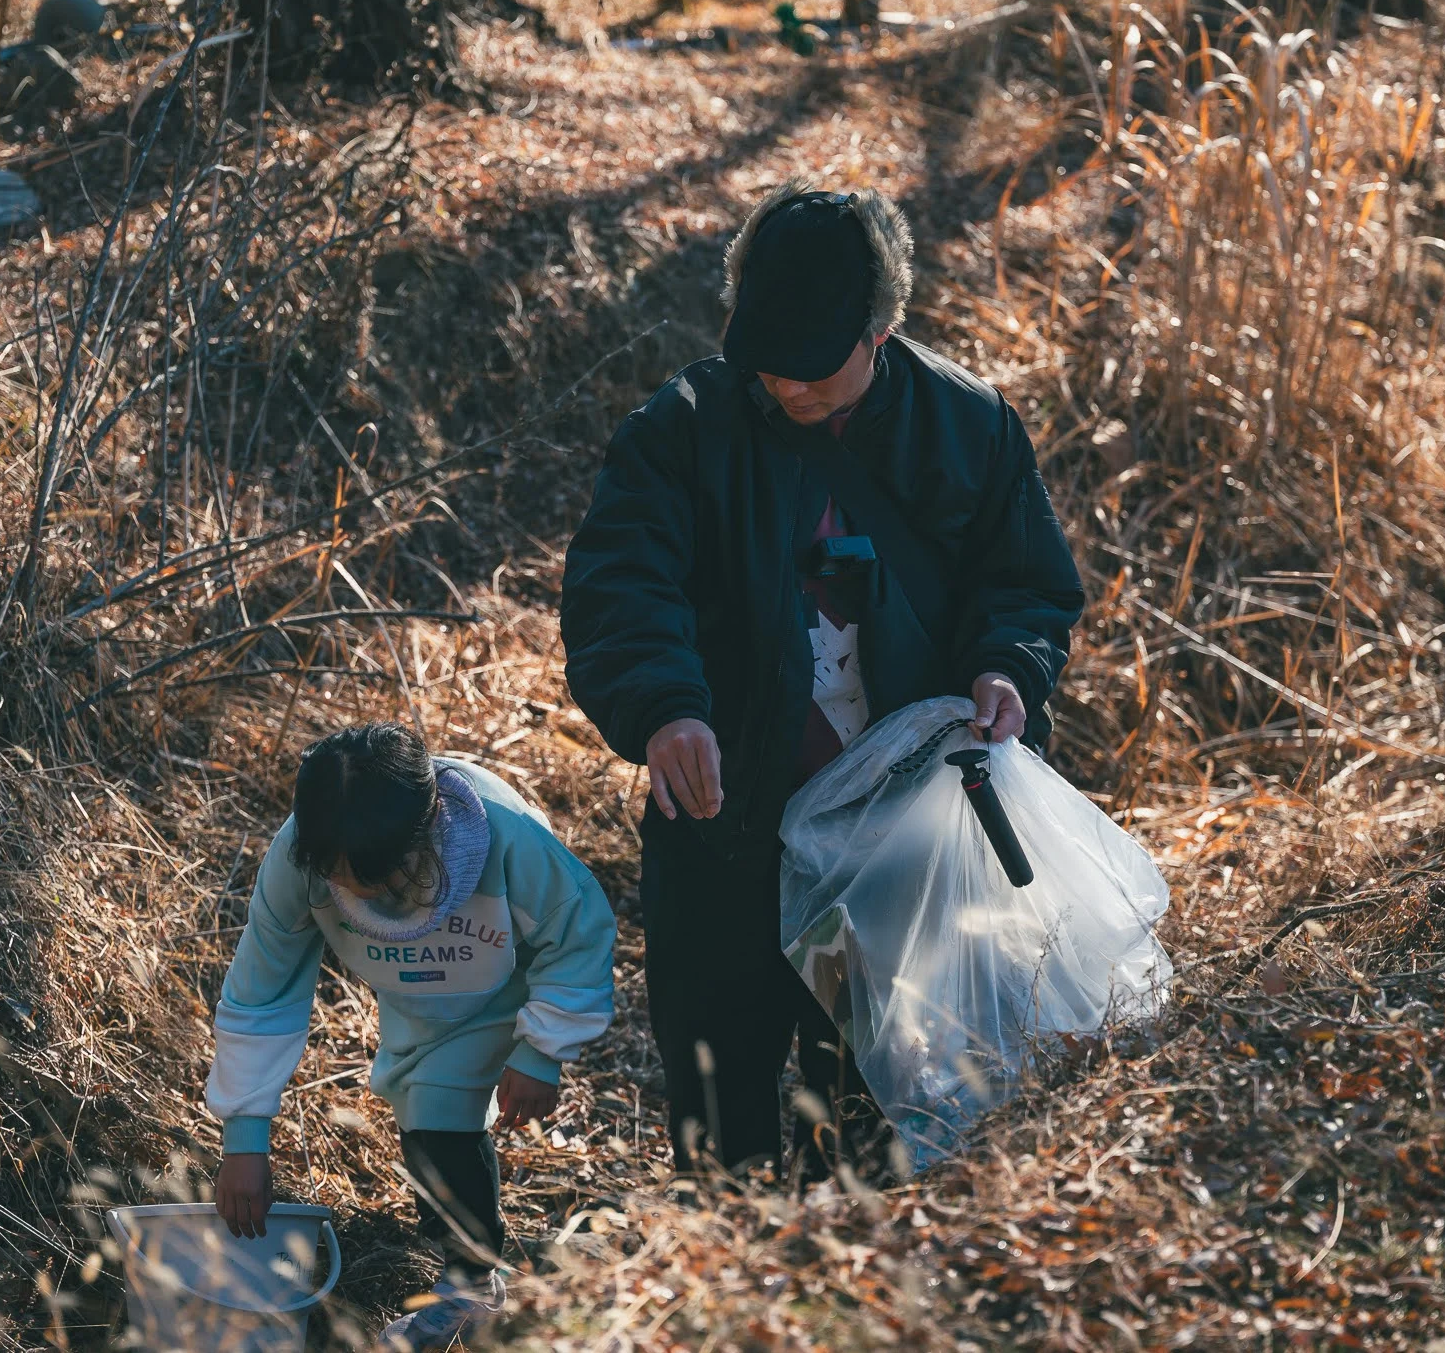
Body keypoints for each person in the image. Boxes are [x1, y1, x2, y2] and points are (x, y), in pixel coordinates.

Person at [559, 180, 1084, 1181]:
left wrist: (1006, 668)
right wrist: (665, 708)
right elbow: (619, 587)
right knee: (719, 1097)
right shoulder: (679, 431)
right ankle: (725, 1286)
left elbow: (1023, 585)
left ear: (879, 333)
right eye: (766, 361)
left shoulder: (965, 426)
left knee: (873, 1094)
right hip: (726, 822)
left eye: (813, 368)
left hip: (900, 835)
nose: (787, 388)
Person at [206, 723, 617, 1351]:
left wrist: (543, 1048)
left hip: (512, 982)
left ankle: (470, 1283)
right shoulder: (300, 859)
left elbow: (578, 928)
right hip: (417, 1000)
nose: (356, 889)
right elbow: (260, 994)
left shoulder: (506, 836)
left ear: (425, 831)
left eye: (375, 873)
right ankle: (468, 1274)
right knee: (425, 1119)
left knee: (437, 1120)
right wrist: (244, 1137)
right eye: (338, 876)